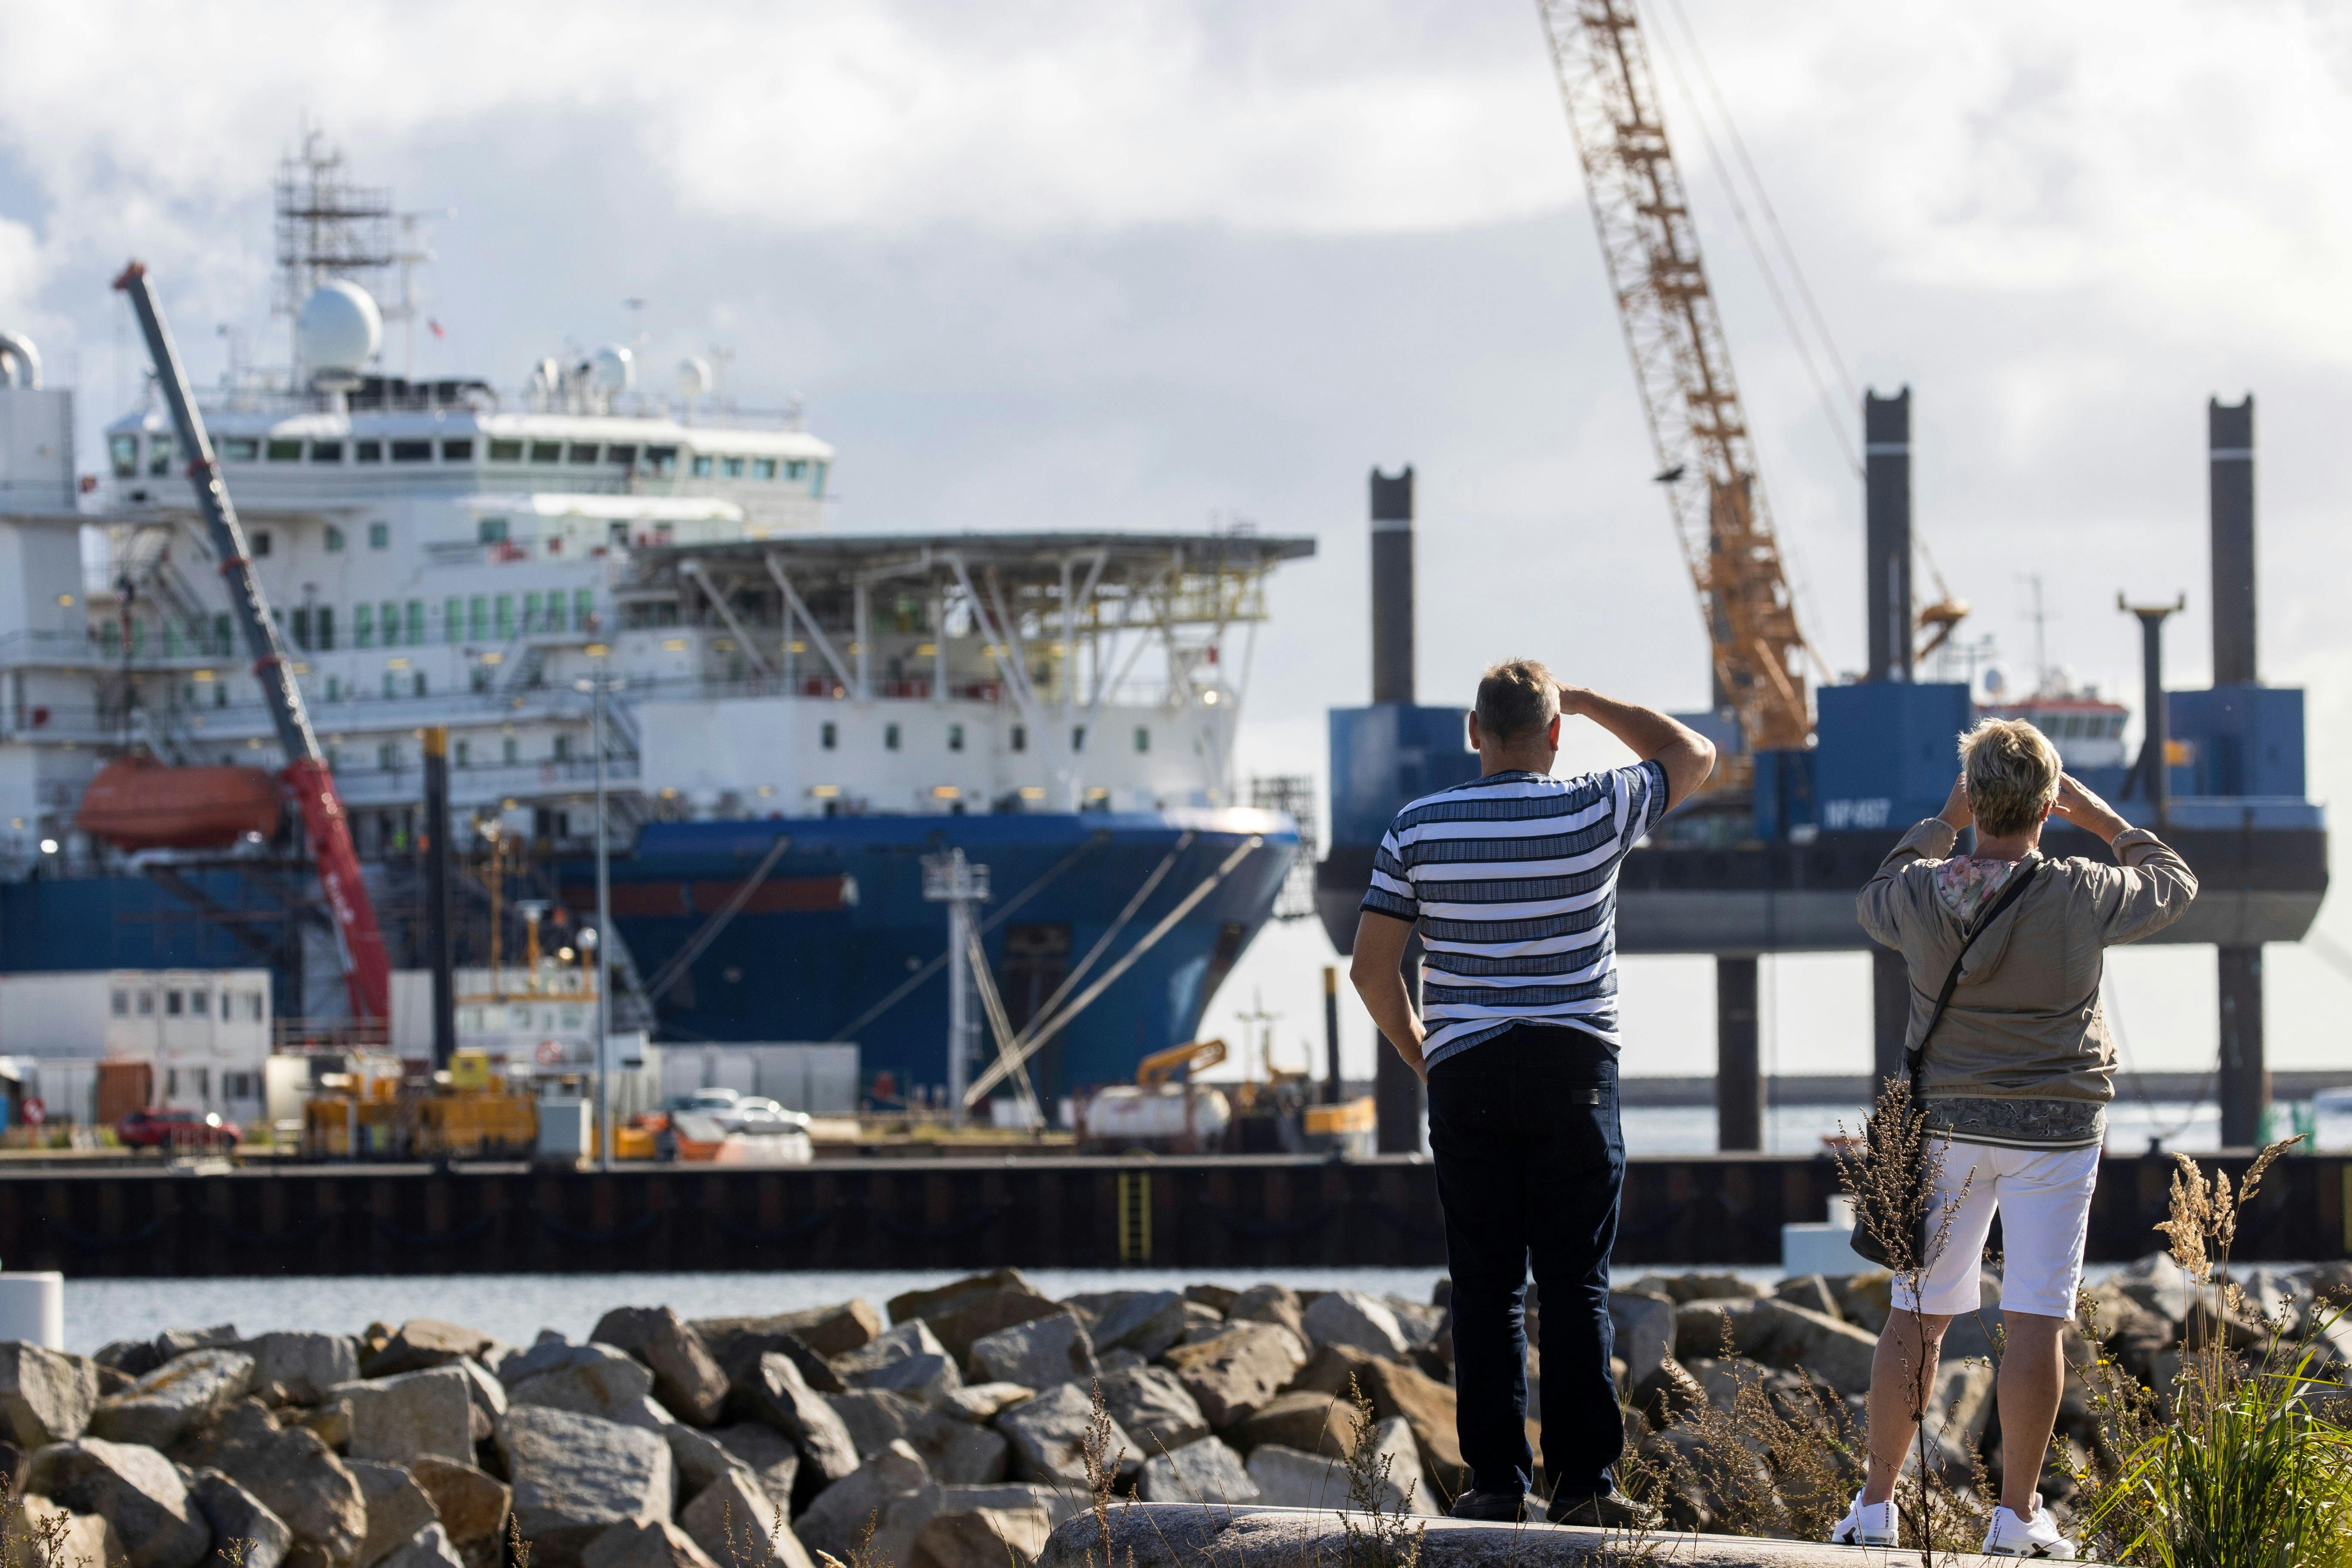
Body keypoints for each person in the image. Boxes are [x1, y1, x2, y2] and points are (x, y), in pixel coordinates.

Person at [1350, 658, 1715, 1524]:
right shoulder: (1596, 804)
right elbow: (1695, 754)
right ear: (1555, 733)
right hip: (1573, 1069)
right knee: (1576, 1282)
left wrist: (1423, 1053)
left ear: (1474, 732)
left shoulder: (1417, 827)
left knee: (1484, 1284)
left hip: (1467, 1069)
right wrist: (1591, 702)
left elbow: (1372, 970)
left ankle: (1493, 1486)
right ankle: (1586, 1489)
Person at [1829, 718, 2196, 1558]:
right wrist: (2107, 824)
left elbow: (1874, 891)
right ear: (2047, 803)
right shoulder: (2080, 891)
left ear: (1975, 796)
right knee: (2036, 1321)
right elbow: (2174, 884)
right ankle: (2015, 1518)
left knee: (1915, 1316)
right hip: (2058, 1131)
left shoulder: (1922, 892)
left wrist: (1941, 823)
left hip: (1947, 1129)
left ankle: (1877, 1509)